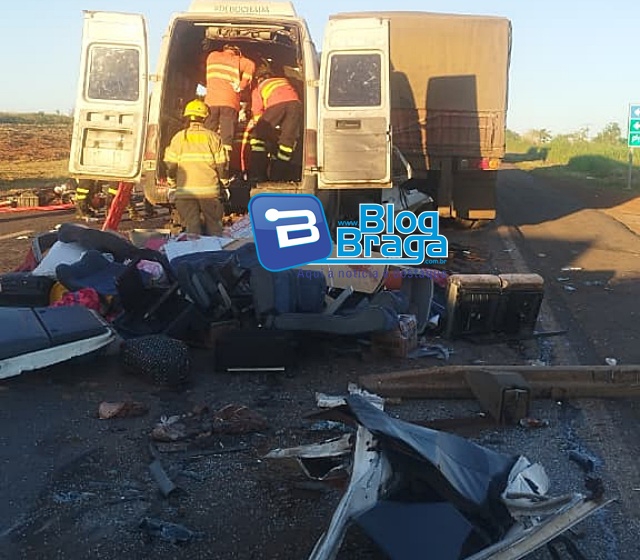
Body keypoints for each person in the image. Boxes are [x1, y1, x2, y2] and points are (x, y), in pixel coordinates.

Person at [163, 99, 229, 236]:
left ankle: (194, 248)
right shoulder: (213, 137)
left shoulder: (178, 138)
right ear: (205, 117)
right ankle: (215, 249)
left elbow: (171, 165)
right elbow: (222, 165)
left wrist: (172, 182)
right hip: (209, 192)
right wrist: (224, 183)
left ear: (187, 116)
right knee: (215, 228)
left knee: (192, 228)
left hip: (185, 192)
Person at [249, 65, 302, 182]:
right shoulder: (283, 80)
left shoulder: (258, 88)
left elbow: (257, 114)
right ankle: (278, 176)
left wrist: (258, 126)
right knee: (287, 142)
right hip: (296, 104)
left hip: (277, 103)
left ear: (259, 78)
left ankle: (257, 174)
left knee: (257, 138)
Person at [203, 44, 255, 158]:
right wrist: (241, 85)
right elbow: (251, 65)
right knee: (227, 135)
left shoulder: (212, 56)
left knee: (208, 132)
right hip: (229, 102)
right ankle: (224, 161)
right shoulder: (238, 60)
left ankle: (206, 157)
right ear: (237, 52)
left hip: (211, 102)